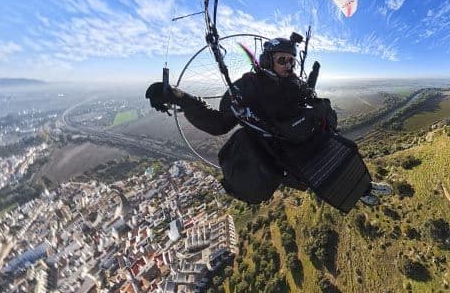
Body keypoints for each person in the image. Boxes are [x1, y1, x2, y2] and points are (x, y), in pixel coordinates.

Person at [145, 35, 391, 209]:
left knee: (345, 156)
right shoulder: (250, 85)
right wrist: (179, 97)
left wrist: (314, 95)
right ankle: (361, 193)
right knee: (326, 179)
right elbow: (218, 123)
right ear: (267, 60)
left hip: (310, 140)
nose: (289, 65)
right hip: (286, 153)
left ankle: (365, 190)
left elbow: (306, 99)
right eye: (282, 60)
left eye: (291, 60)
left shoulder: (293, 82)